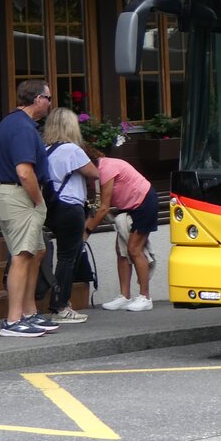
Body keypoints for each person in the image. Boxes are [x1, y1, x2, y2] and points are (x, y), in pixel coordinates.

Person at [0, 79, 60, 337]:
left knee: (36, 252)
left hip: (14, 193)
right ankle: (13, 320)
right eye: (48, 98)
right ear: (37, 99)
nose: (50, 103)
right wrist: (39, 199)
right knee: (22, 254)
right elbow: (25, 172)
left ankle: (28, 314)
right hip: (19, 194)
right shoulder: (22, 128)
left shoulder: (17, 123)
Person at [41, 108, 100, 323]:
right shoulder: (71, 149)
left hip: (53, 208)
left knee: (64, 255)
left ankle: (59, 303)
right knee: (69, 257)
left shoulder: (46, 150)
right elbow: (94, 172)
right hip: (71, 207)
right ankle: (60, 306)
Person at [83, 146, 158, 312]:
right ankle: (124, 296)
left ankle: (145, 297)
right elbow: (96, 206)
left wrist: (87, 232)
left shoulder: (106, 169)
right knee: (121, 251)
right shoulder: (99, 170)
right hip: (129, 208)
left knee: (134, 250)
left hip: (144, 203)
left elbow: (103, 208)